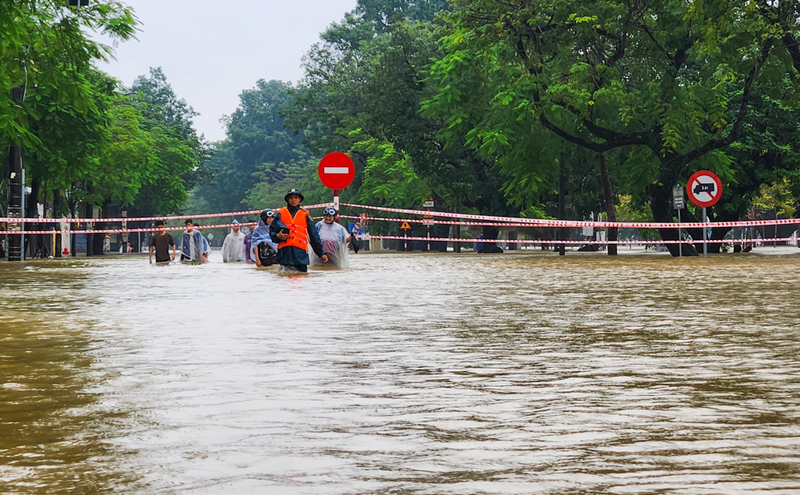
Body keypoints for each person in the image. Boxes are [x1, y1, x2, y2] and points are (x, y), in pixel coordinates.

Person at [270, 188, 327, 272]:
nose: (293, 200)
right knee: (284, 280)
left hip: (300, 254)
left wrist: (321, 253)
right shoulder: (280, 214)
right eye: (291, 198)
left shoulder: (305, 215)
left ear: (300, 199)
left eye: (296, 197)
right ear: (287, 199)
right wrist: (277, 236)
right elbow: (272, 230)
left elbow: (313, 235)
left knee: (301, 280)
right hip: (285, 254)